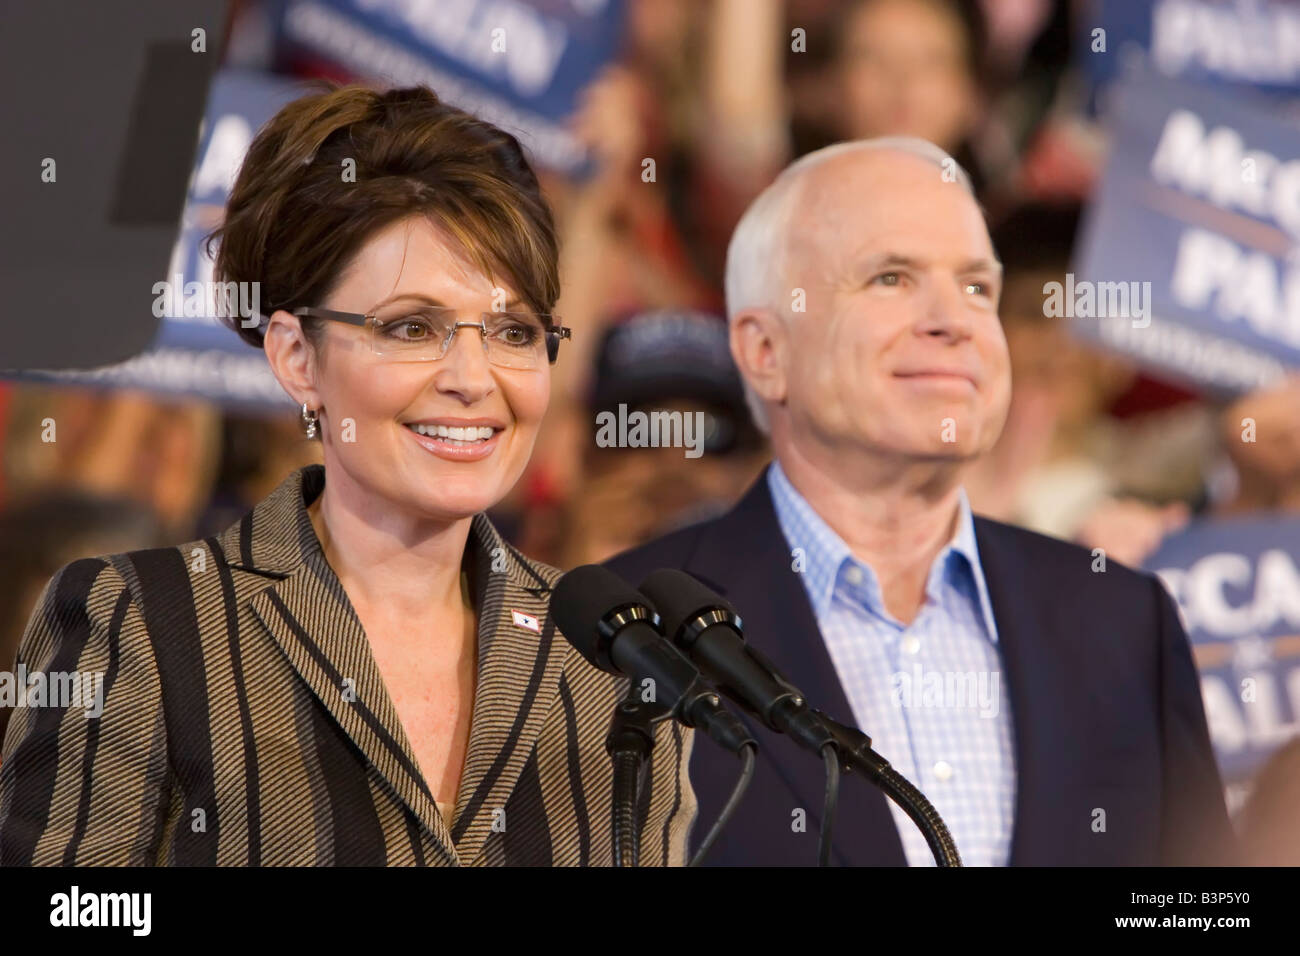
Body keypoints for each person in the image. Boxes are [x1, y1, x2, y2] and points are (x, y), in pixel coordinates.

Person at [0, 84, 694, 866]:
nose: (474, 377)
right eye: (411, 327)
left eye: (513, 331)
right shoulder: (144, 626)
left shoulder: (615, 668)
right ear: (298, 357)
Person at [606, 137, 1234, 866]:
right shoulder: (621, 637)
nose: (954, 319)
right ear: (765, 351)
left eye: (977, 287)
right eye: (891, 278)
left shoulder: (1128, 622)